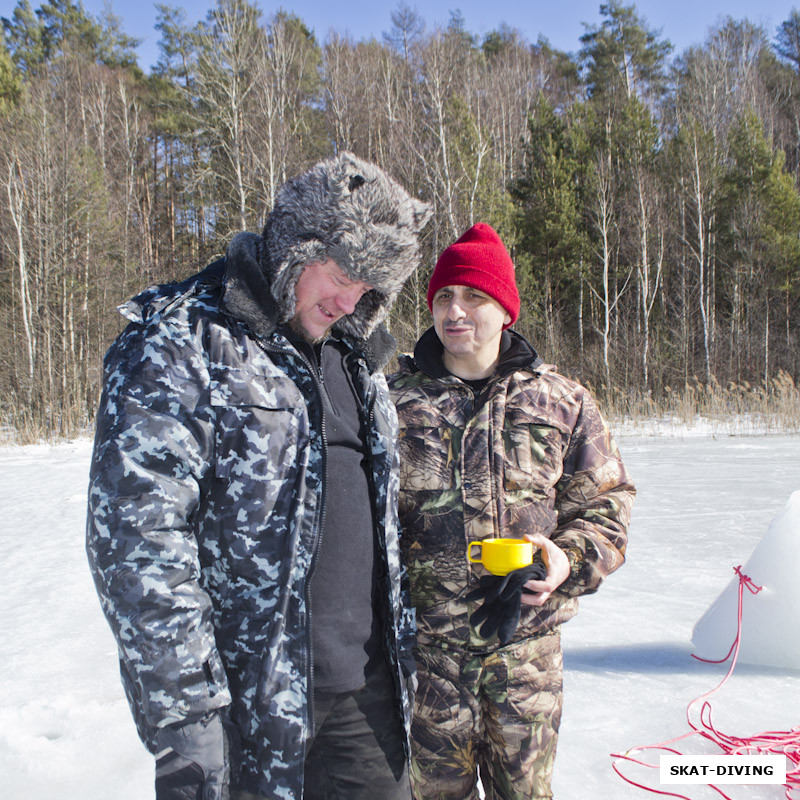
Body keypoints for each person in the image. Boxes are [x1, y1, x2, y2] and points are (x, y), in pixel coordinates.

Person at [86, 152, 432, 800]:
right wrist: (187, 715)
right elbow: (137, 540)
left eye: (369, 285)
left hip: (367, 699)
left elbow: (387, 520)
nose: (350, 298)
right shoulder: (183, 340)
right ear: (295, 246)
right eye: (341, 273)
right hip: (247, 709)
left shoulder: (356, 361)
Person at [388, 222, 635, 800]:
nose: (455, 311)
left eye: (474, 297)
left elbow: (607, 502)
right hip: (429, 662)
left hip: (527, 663)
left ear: (505, 309)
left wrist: (566, 559)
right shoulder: (393, 401)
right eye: (444, 297)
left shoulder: (563, 401)